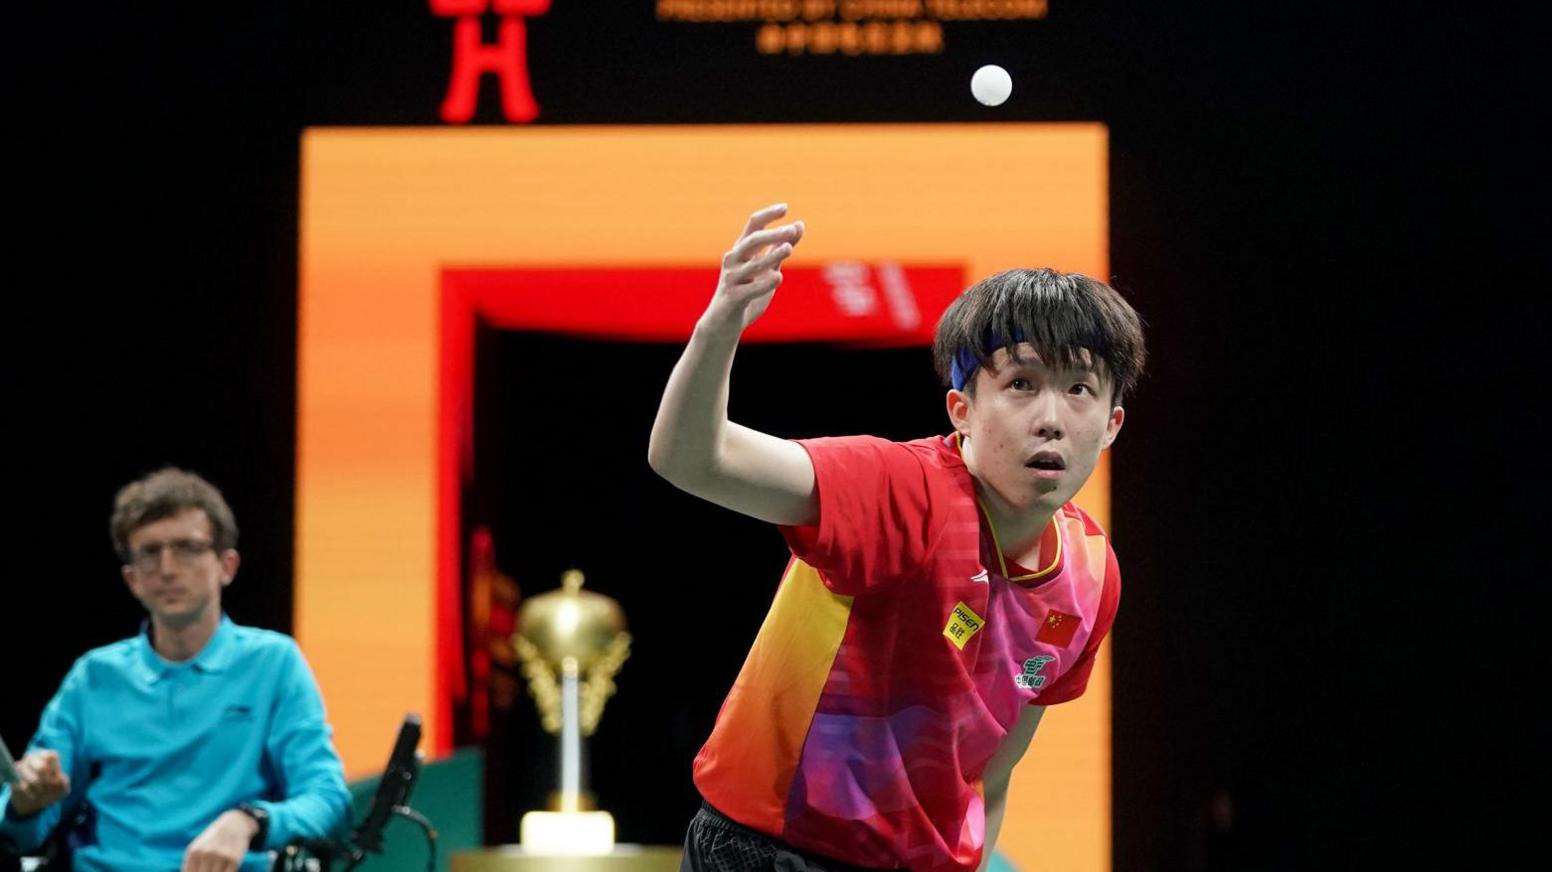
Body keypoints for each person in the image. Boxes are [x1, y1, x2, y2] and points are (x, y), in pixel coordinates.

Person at [648, 204, 1146, 872]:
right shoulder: (898, 490)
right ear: (961, 411)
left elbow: (990, 776)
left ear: (1111, 424)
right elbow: (691, 459)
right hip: (771, 848)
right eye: (1021, 384)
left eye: (1079, 389)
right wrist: (722, 323)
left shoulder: (1089, 578)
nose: (1051, 419)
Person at [0, 469, 351, 871]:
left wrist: (250, 820)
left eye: (187, 548)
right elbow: (25, 826)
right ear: (131, 579)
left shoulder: (274, 664)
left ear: (227, 566)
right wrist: (23, 808)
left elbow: (329, 800)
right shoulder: (93, 678)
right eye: (149, 552)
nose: (167, 568)